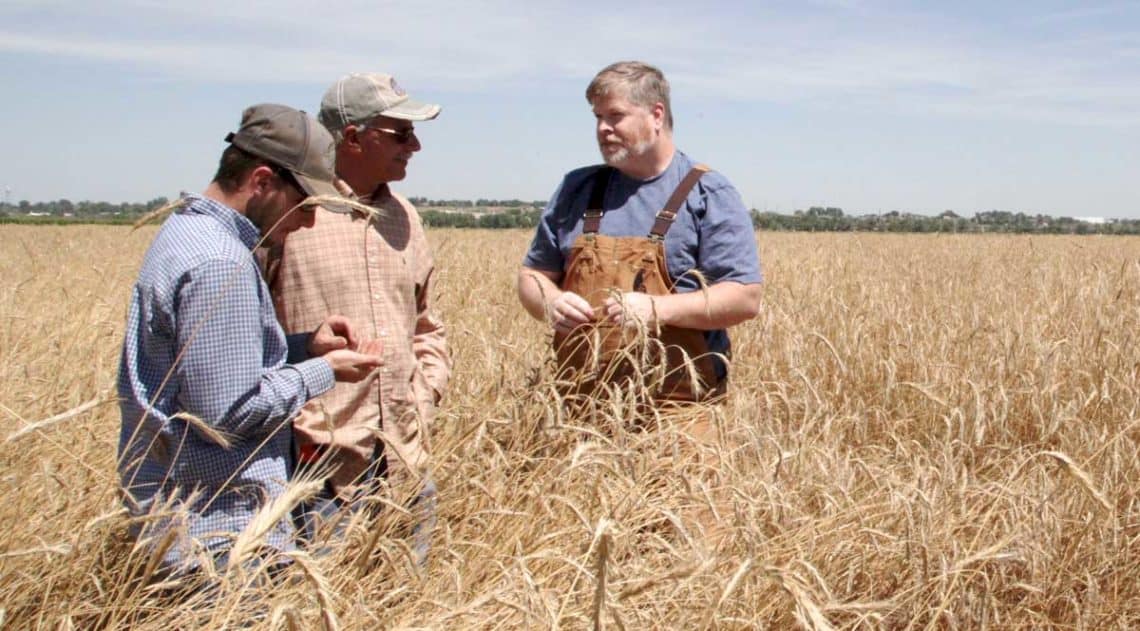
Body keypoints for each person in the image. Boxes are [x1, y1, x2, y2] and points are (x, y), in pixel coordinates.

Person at [117, 104, 383, 576]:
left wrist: (304, 346)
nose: (308, 223)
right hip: (217, 532)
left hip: (181, 516)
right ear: (262, 181)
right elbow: (227, 413)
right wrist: (325, 372)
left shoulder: (185, 233)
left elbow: (205, 367)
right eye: (304, 205)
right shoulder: (223, 264)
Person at [261, 73, 450, 557]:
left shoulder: (404, 216)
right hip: (318, 467)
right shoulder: (290, 213)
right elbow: (252, 335)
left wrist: (426, 391)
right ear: (351, 137)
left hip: (407, 457)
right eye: (400, 133)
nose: (416, 146)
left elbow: (427, 324)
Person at [518, 61, 762, 412]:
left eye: (615, 116)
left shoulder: (708, 193)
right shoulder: (577, 188)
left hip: (678, 409)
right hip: (578, 405)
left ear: (656, 115)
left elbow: (744, 298)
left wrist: (657, 308)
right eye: (597, 117)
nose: (603, 128)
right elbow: (532, 276)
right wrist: (550, 301)